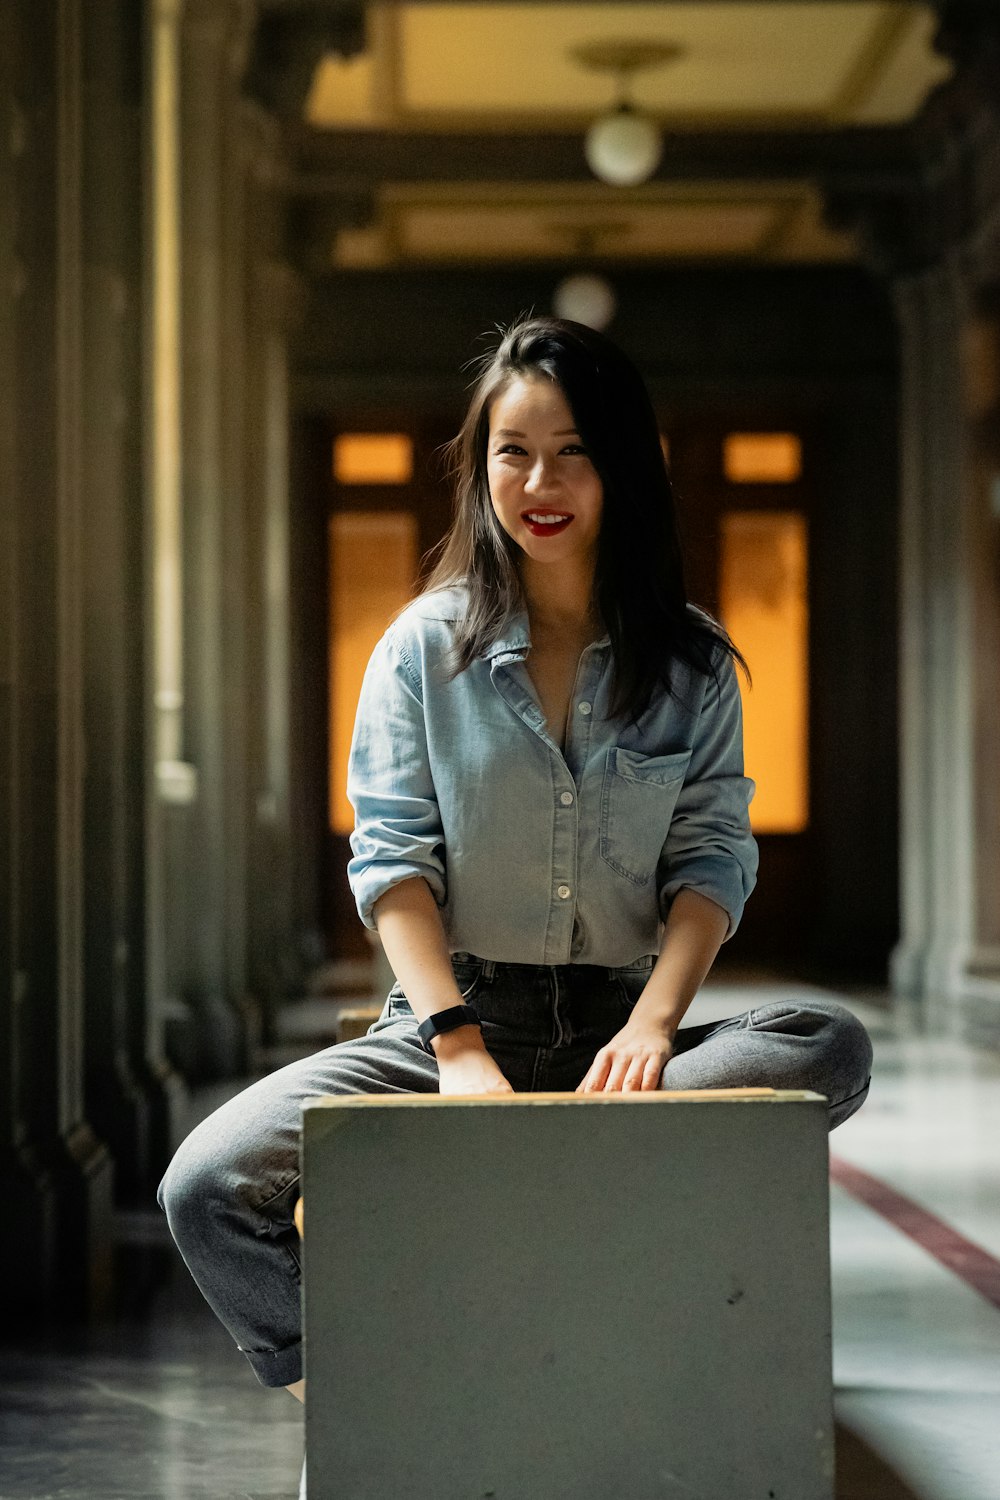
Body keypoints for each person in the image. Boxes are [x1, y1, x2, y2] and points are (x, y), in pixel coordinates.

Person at [158, 315, 872, 1493]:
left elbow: (711, 859)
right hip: (449, 1029)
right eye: (511, 451)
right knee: (206, 1184)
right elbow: (390, 864)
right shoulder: (418, 652)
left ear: (622, 468)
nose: (538, 484)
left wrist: (651, 1026)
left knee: (825, 1044)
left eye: (572, 452)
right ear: (479, 463)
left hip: (619, 1049)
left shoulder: (688, 662)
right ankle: (379, 1385)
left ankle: (561, 1162)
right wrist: (456, 1049)